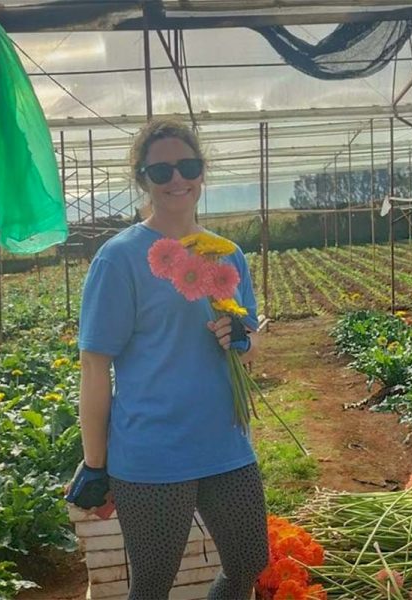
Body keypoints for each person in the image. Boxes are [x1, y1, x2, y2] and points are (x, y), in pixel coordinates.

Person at [66, 118, 268, 600]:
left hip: (226, 445)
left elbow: (253, 340)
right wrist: (95, 463)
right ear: (142, 178)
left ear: (203, 172)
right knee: (153, 582)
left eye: (188, 166)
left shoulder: (228, 254)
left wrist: (243, 337)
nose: (178, 179)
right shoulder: (120, 259)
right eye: (162, 171)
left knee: (248, 563)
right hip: (153, 455)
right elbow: (95, 366)